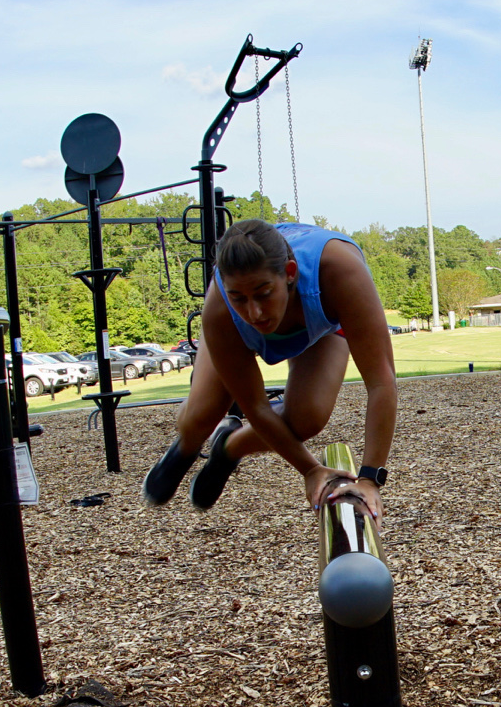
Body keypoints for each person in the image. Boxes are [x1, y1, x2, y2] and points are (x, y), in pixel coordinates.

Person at [142, 219, 397, 517]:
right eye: (239, 298)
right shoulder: (221, 308)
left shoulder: (339, 271)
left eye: (264, 293)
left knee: (307, 419)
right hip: (234, 334)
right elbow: (257, 408)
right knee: (203, 414)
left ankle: (229, 446)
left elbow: (381, 381)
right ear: (226, 288)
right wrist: (310, 469)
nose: (254, 312)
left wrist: (369, 478)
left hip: (319, 323)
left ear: (290, 273)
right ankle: (186, 445)